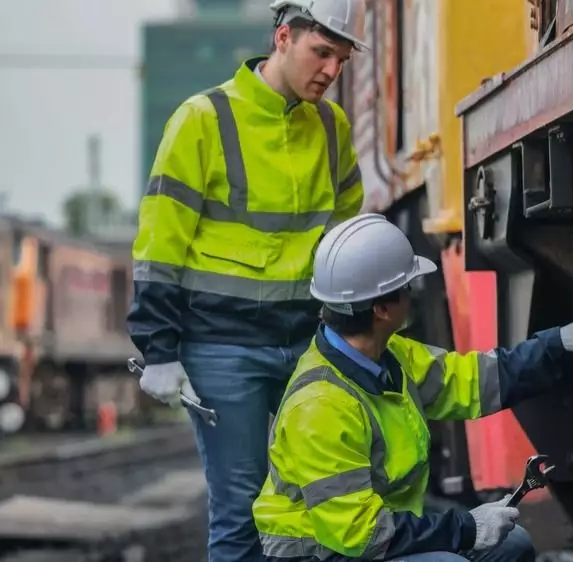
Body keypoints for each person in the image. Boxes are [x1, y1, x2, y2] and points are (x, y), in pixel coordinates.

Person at [126, 1, 369, 560]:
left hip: (308, 345)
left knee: (323, 503)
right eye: (322, 52)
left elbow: (348, 243)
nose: (332, 71)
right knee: (241, 512)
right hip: (222, 348)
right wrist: (158, 349)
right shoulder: (202, 119)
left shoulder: (332, 128)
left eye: (343, 59)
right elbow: (160, 244)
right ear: (283, 37)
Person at [252, 213, 573, 561]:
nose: (413, 293)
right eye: (407, 287)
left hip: (376, 529)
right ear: (381, 309)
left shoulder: (389, 355)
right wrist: (468, 527)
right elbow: (360, 534)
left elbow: (473, 381)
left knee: (513, 545)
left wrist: (557, 344)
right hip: (321, 552)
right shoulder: (320, 408)